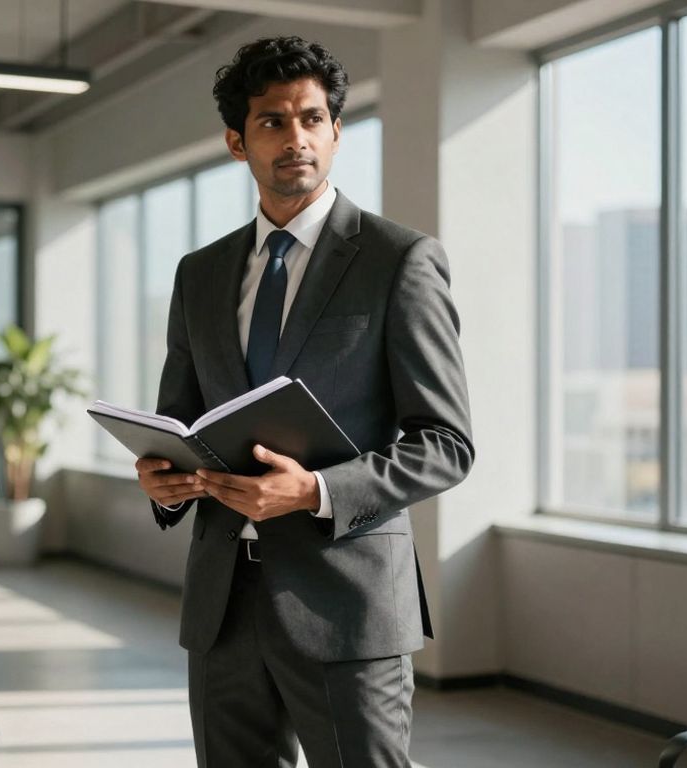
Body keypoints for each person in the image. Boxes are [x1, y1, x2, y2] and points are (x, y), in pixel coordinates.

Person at [135, 35, 474, 768]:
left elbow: (445, 444)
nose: (298, 139)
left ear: (336, 130)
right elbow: (182, 421)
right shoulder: (201, 274)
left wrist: (316, 491)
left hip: (348, 604)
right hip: (223, 603)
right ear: (236, 140)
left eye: (313, 119)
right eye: (274, 122)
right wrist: (165, 482)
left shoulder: (398, 261)